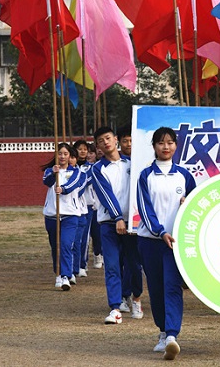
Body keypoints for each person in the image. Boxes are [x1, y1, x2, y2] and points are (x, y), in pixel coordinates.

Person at [136, 127, 196, 361]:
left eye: (170, 143)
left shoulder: (184, 175)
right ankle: (162, 332)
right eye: (161, 143)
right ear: (154, 146)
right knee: (157, 287)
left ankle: (172, 335)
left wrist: (187, 202)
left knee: (172, 286)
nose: (166, 147)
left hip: (175, 243)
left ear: (176, 146)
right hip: (150, 241)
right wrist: (160, 232)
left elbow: (196, 205)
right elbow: (144, 209)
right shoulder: (145, 176)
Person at [91, 126, 131, 325]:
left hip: (133, 223)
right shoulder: (97, 169)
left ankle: (127, 295)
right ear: (98, 146)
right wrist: (117, 218)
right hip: (109, 223)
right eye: (100, 141)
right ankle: (115, 307)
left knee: (132, 264)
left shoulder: (132, 163)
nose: (105, 142)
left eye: (108, 138)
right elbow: (106, 195)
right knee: (113, 265)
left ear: (116, 139)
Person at [41, 143, 86, 291]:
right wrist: (54, 174)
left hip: (70, 215)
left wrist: (64, 189)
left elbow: (73, 184)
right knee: (56, 247)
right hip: (52, 215)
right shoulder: (50, 170)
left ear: (70, 156)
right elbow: (46, 182)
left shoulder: (77, 172)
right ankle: (58, 274)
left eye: (65, 154)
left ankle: (66, 275)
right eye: (60, 153)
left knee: (66, 245)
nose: (62, 156)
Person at [115, 125, 144, 319]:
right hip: (120, 220)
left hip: (139, 221)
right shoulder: (116, 164)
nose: (129, 144)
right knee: (120, 262)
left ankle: (136, 298)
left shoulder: (144, 162)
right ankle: (123, 297)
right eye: (125, 141)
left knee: (134, 263)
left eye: (132, 140)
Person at [71, 139, 92, 278]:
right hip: (70, 208)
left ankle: (82, 264)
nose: (83, 151)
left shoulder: (89, 168)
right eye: (80, 149)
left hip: (86, 206)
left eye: (85, 149)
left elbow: (84, 184)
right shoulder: (69, 168)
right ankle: (72, 265)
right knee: (72, 239)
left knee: (84, 238)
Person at [89, 144, 104, 269]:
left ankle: (101, 254)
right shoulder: (91, 169)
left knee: (101, 233)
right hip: (93, 205)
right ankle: (97, 254)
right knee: (95, 234)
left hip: (104, 205)